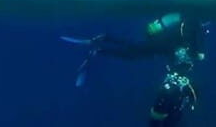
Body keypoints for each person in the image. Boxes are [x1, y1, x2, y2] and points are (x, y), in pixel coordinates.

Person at [62, 13, 208, 127]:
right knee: (135, 52)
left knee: (135, 50)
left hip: (166, 45)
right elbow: (200, 56)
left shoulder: (183, 20)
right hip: (170, 48)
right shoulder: (197, 25)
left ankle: (104, 41)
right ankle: (101, 46)